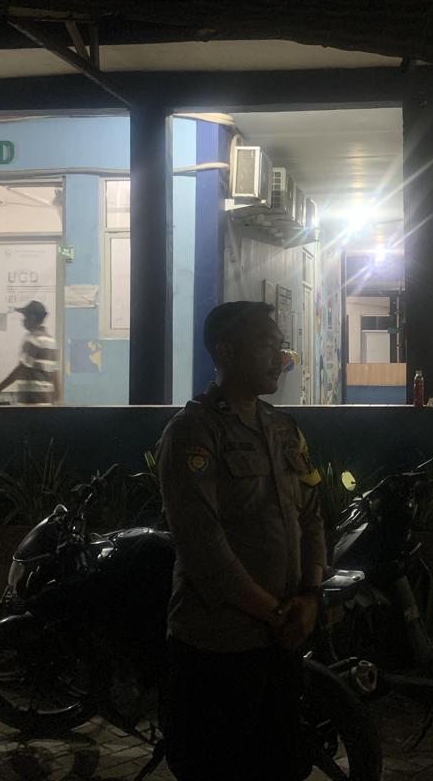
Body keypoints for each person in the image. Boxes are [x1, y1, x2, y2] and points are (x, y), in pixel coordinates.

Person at [156, 301, 325, 781]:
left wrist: (311, 595)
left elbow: (312, 514)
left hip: (280, 641)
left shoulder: (283, 428)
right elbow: (203, 546)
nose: (280, 357)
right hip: (219, 646)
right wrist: (275, 613)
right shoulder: (193, 432)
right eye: (267, 345)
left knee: (280, 764)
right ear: (226, 351)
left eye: (281, 346)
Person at [0, 300, 61, 404]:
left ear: (32, 318)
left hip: (32, 402)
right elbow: (55, 374)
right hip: (45, 401)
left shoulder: (32, 339)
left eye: (25, 317)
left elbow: (21, 369)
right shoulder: (51, 341)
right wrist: (57, 398)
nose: (23, 320)